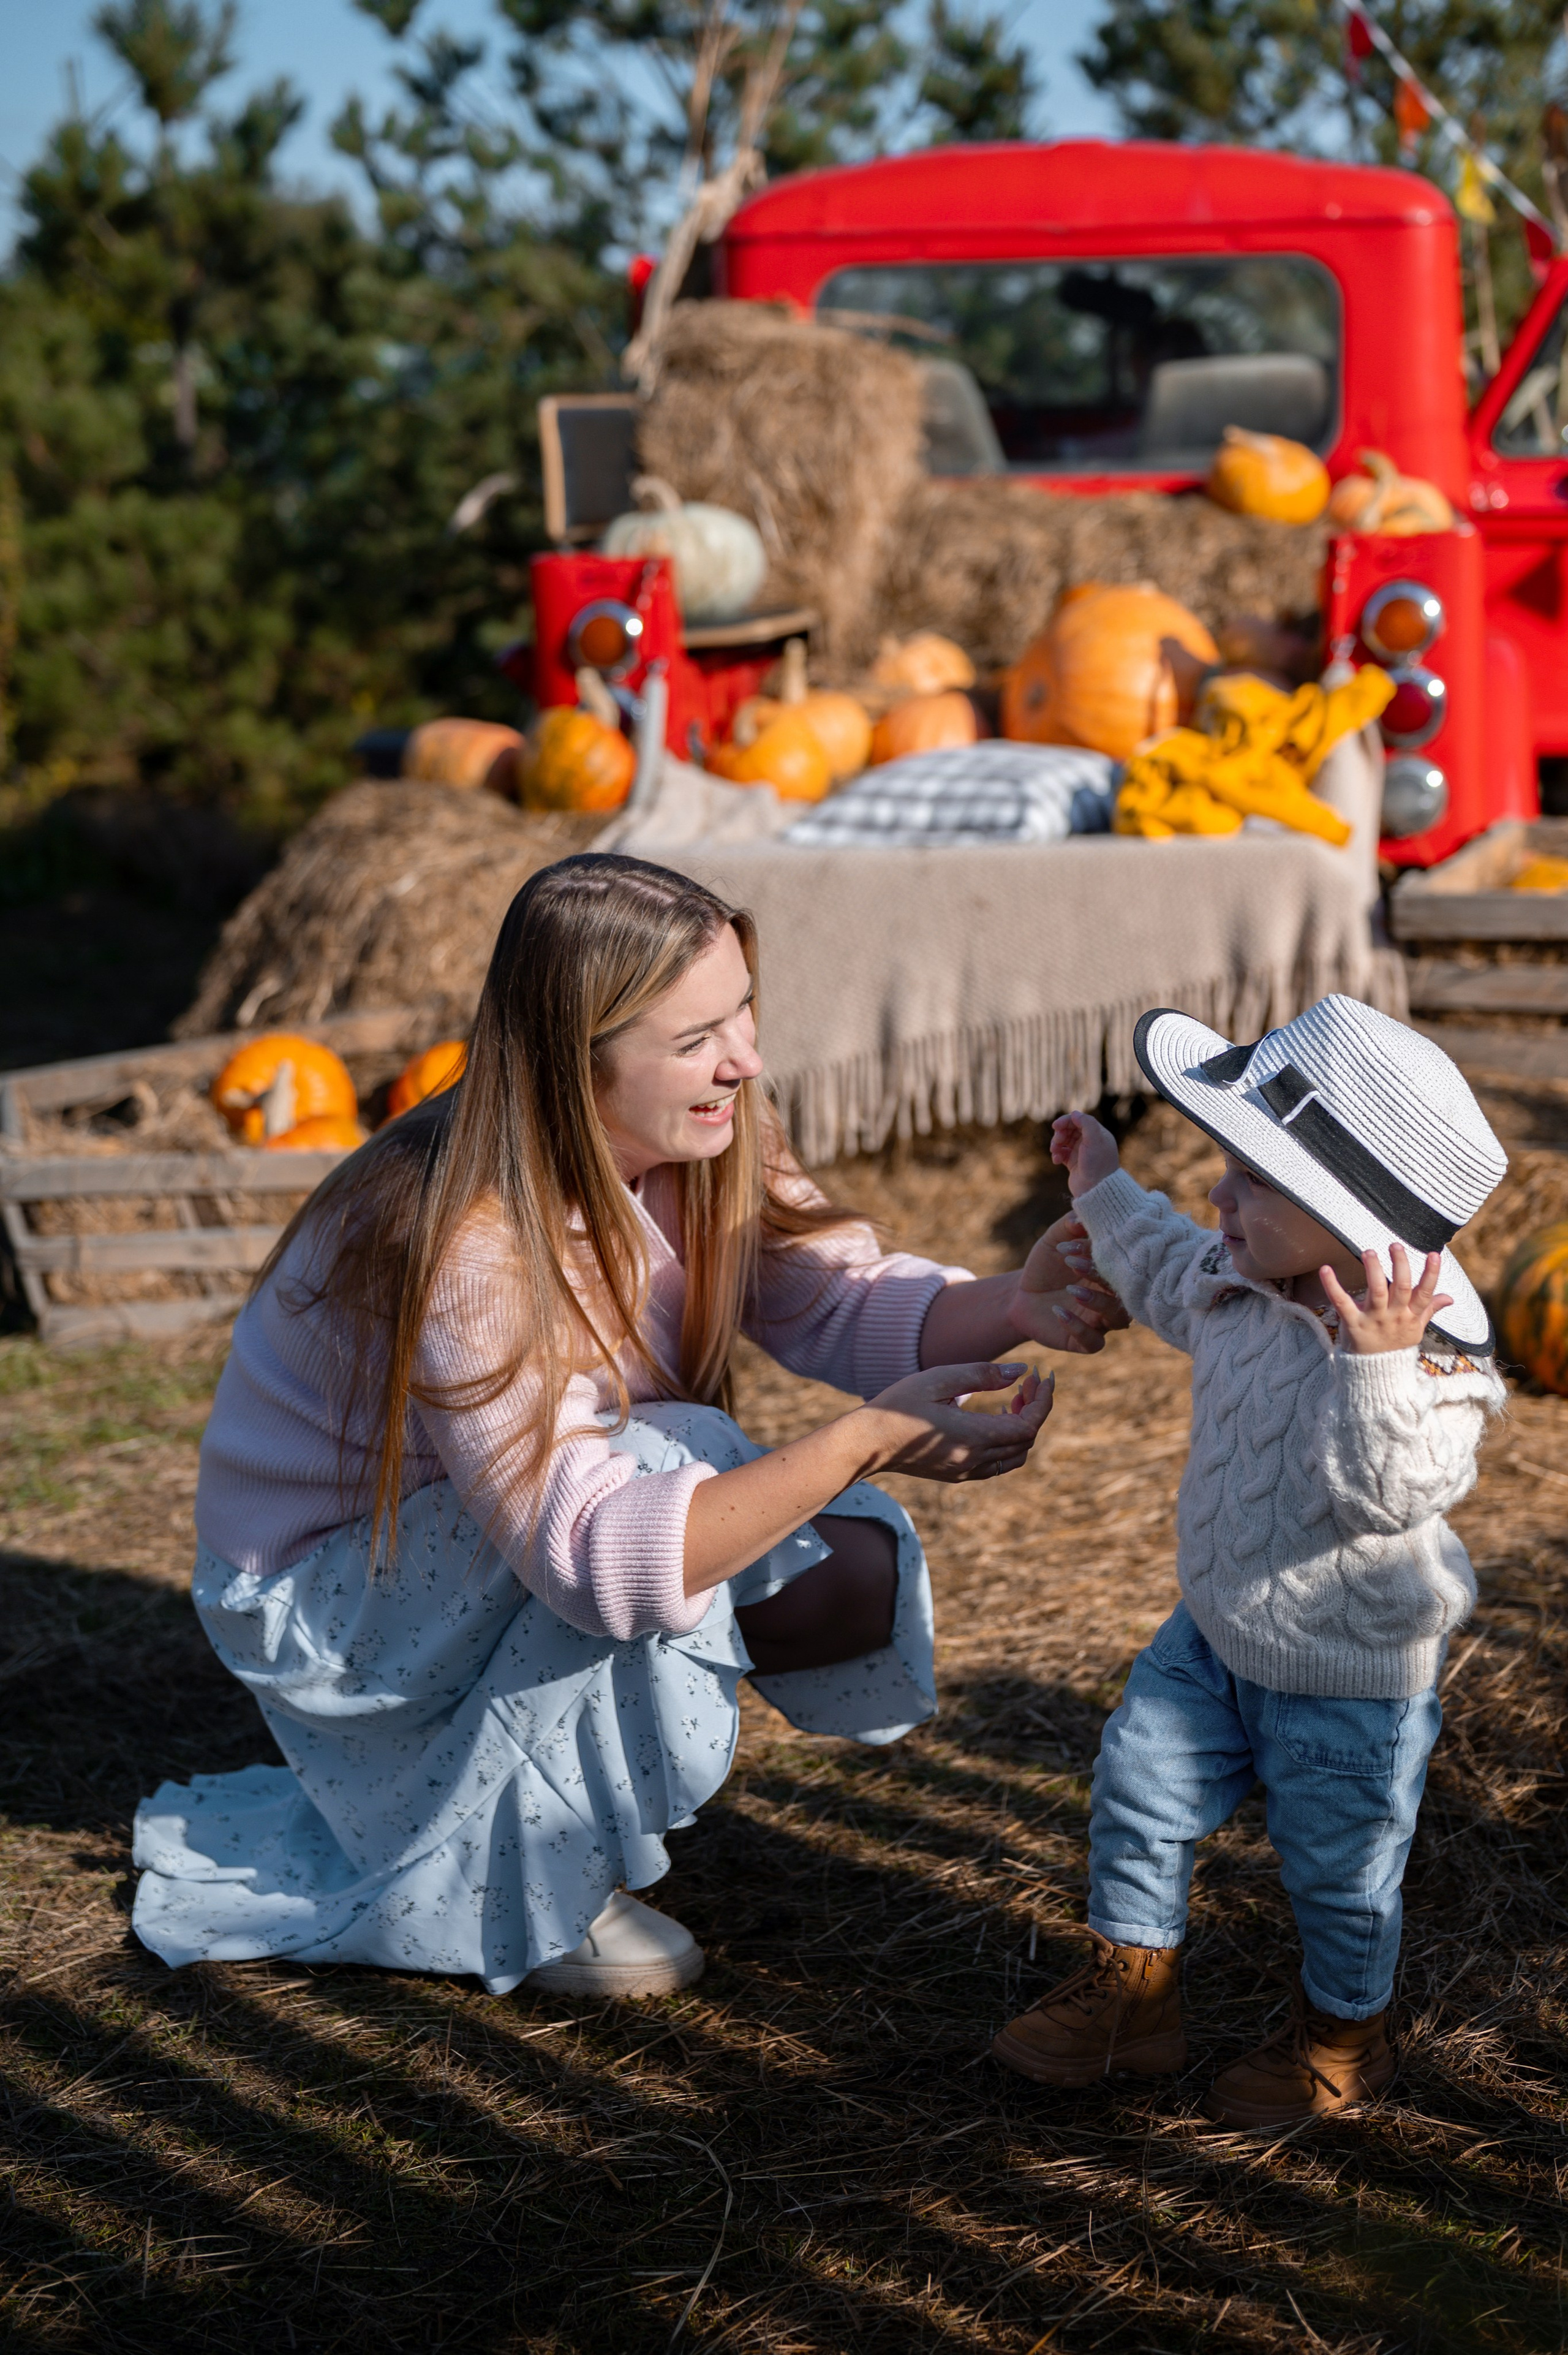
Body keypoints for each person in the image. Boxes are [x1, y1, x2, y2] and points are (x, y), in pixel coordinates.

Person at [133, 853, 1122, 2000]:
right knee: (671, 1470)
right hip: (329, 1598)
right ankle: (531, 1887)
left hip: (461, 1544)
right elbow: (598, 1563)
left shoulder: (707, 1130)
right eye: (697, 1036)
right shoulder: (471, 1239)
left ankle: (527, 1791)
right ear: (575, 1061)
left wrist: (1012, 1302)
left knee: (840, 1569)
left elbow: (827, 1293)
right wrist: (867, 1440)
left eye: (744, 1008)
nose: (745, 1058)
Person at [990, 995, 1507, 2128]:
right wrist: (1104, 1191)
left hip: (1348, 1675)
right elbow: (1169, 1260)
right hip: (1216, 1626)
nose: (1220, 1194)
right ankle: (1136, 1997)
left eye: (1254, 1181)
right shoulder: (1237, 1281)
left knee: (1338, 1873)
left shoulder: (1428, 1367)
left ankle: (1343, 2039)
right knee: (1139, 1787)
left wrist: (1373, 1370)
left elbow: (1389, 1496)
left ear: (1352, 1221)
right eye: (1229, 1165)